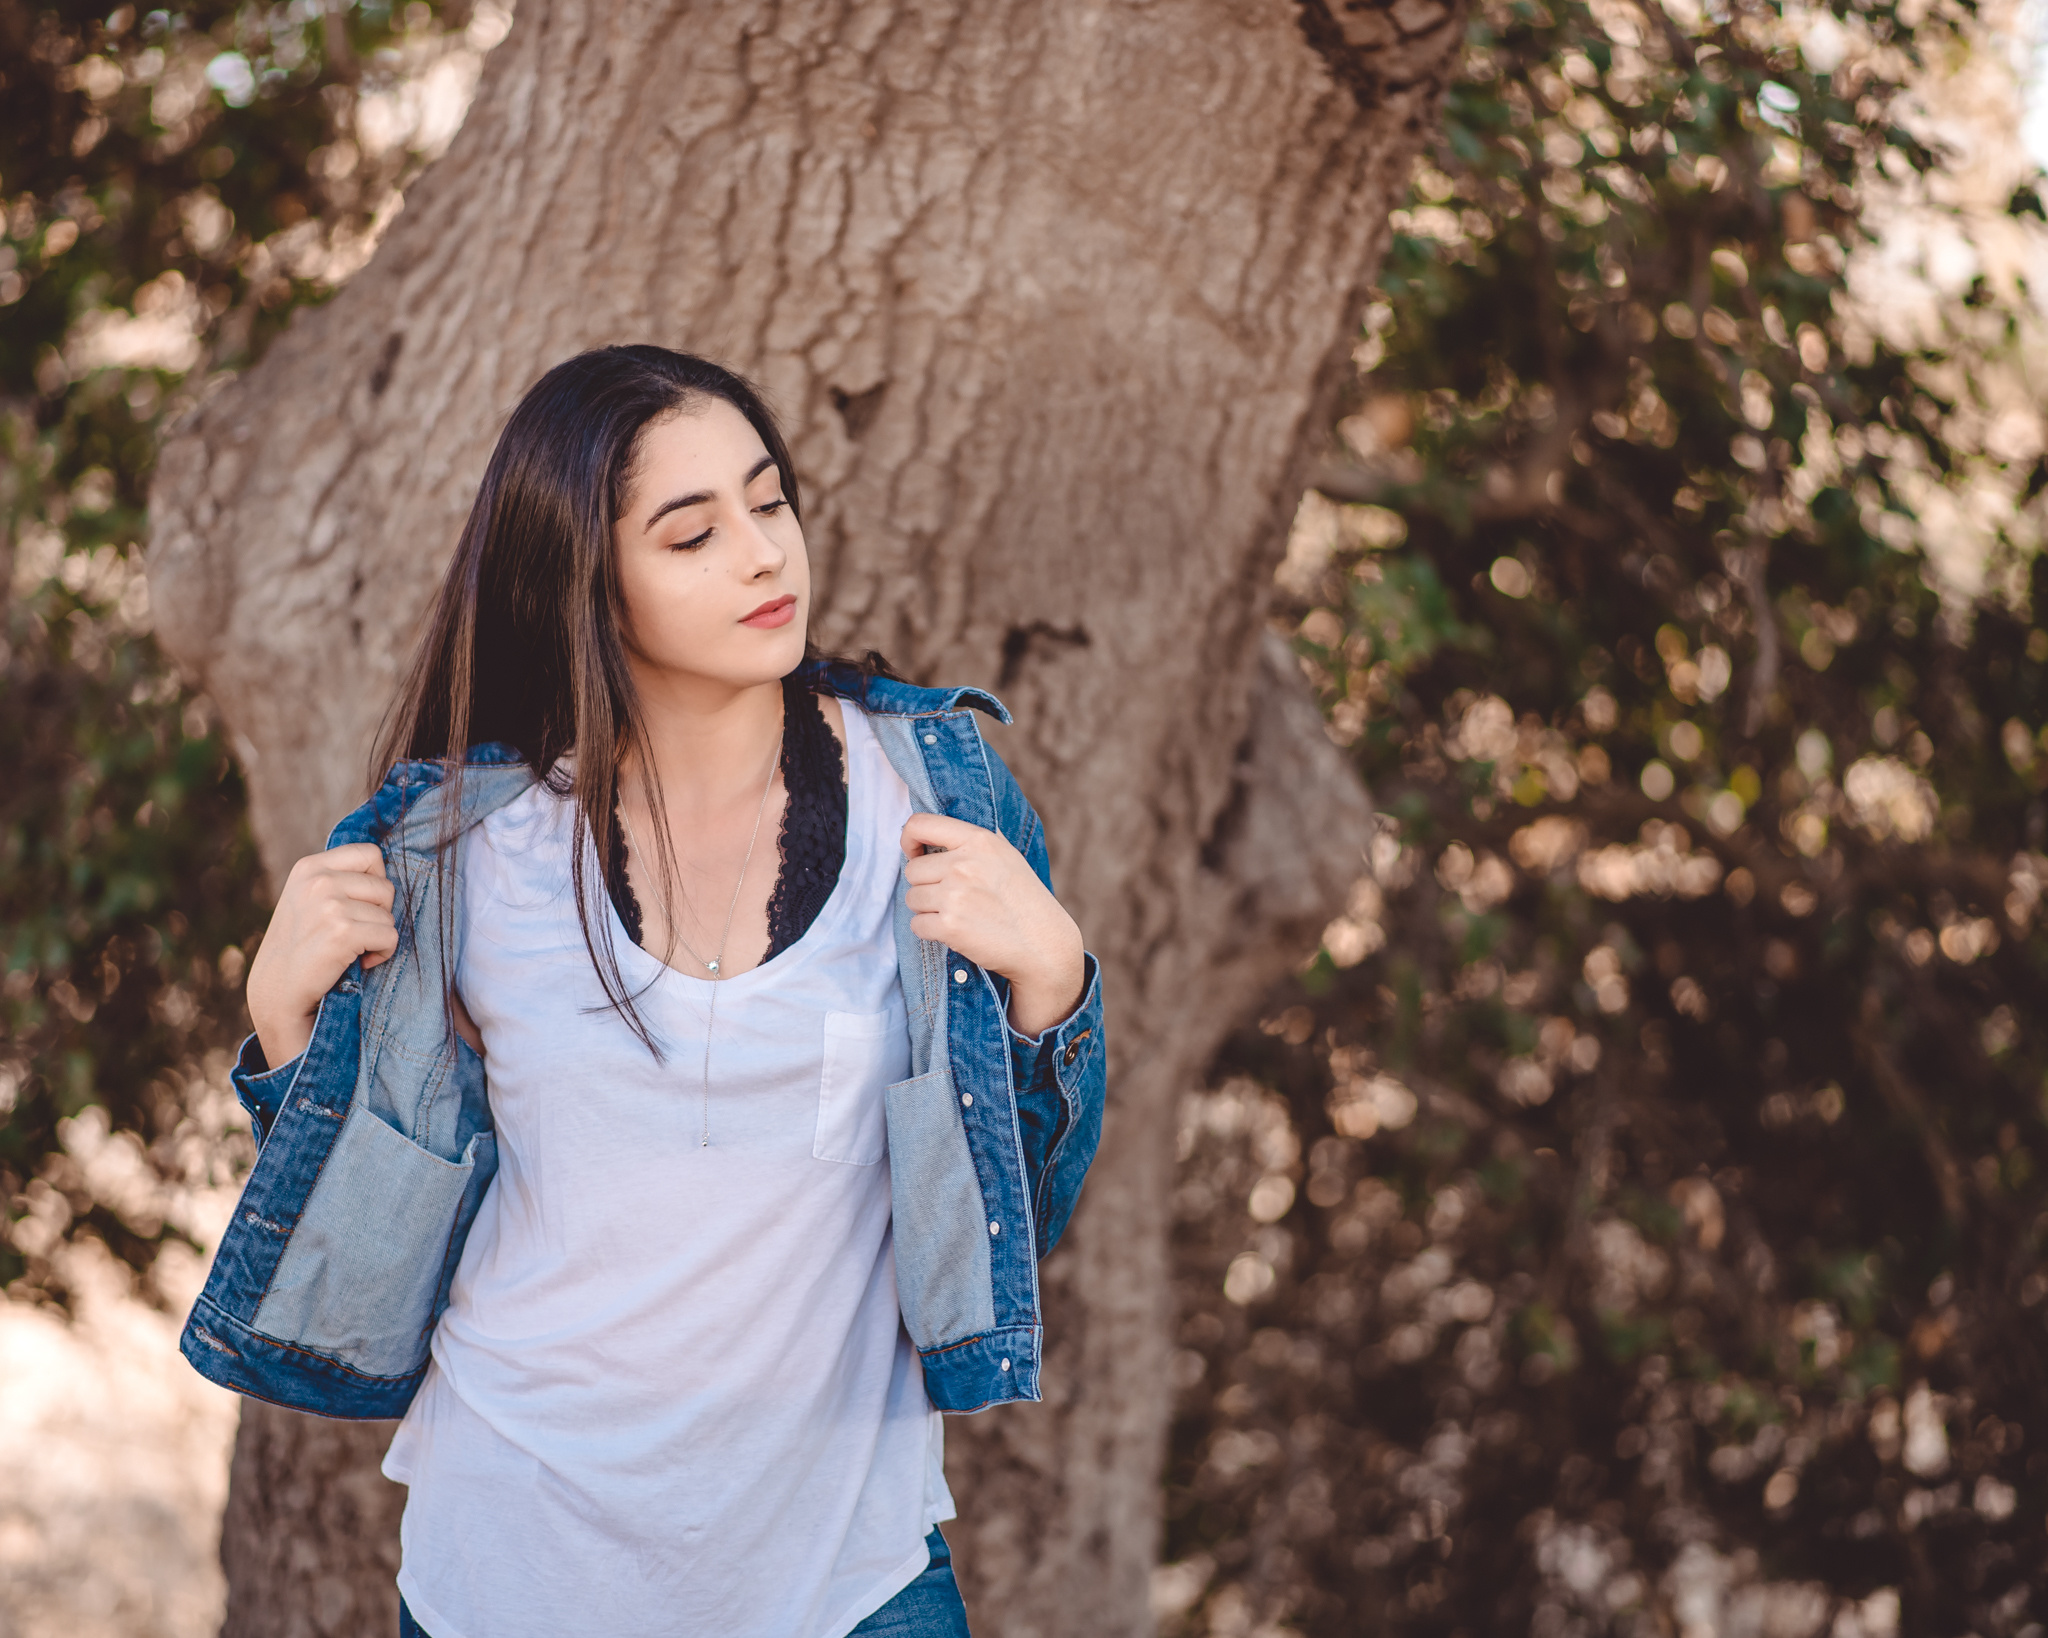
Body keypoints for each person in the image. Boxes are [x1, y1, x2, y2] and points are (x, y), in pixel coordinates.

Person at [179, 346, 1107, 1638]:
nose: (763, 553)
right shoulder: (464, 851)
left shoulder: (937, 803)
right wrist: (285, 1027)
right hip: (510, 1562)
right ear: (590, 584)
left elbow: (1019, 1218)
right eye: (693, 532)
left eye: (769, 501)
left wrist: (1054, 990)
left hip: (846, 1577)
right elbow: (380, 1221)